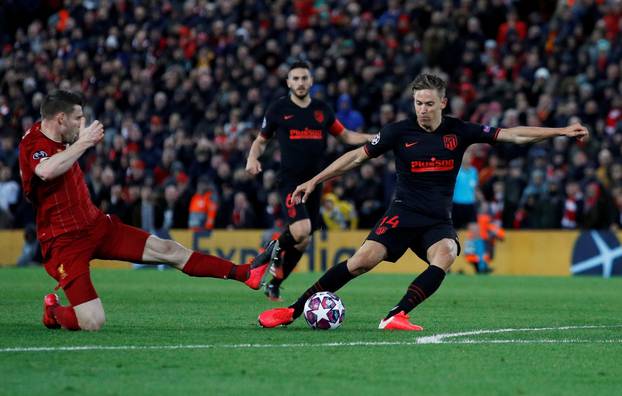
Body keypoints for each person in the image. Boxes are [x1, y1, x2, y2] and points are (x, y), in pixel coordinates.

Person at [257, 73, 589, 331]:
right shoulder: (398, 132)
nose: (423, 109)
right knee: (360, 263)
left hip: (436, 219)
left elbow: (513, 133)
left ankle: (396, 315)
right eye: (418, 103)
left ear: (443, 103)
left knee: (447, 253)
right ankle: (292, 310)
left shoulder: (459, 131)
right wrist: (315, 181)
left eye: (429, 103)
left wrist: (560, 131)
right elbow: (356, 157)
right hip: (403, 212)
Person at [19, 90, 274, 332]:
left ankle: (245, 273)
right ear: (60, 118)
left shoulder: (62, 139)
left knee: (169, 249)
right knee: (92, 321)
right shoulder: (34, 143)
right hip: (64, 242)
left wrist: (79, 141)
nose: (81, 124)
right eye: (77, 118)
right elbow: (46, 171)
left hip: (96, 226)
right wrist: (84, 143)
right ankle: (53, 312)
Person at [245, 60, 372, 301]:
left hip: (315, 183)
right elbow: (261, 140)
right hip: (290, 181)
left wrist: (376, 138)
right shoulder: (278, 109)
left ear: (311, 81)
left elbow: (345, 135)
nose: (300, 83)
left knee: (303, 241)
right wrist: (252, 158)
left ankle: (275, 284)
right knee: (301, 230)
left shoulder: (322, 110)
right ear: (288, 83)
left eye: (304, 78)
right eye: (296, 79)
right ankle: (265, 255)